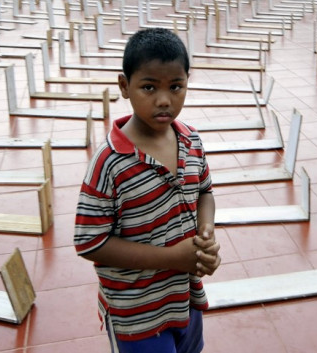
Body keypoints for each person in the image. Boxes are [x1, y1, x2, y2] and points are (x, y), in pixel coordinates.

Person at [74, 28, 220, 353]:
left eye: (175, 87)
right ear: (125, 86)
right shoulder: (110, 162)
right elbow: (90, 242)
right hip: (136, 311)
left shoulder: (191, 141)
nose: (164, 100)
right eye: (149, 87)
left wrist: (205, 235)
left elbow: (205, 193)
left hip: (184, 296)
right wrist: (173, 258)